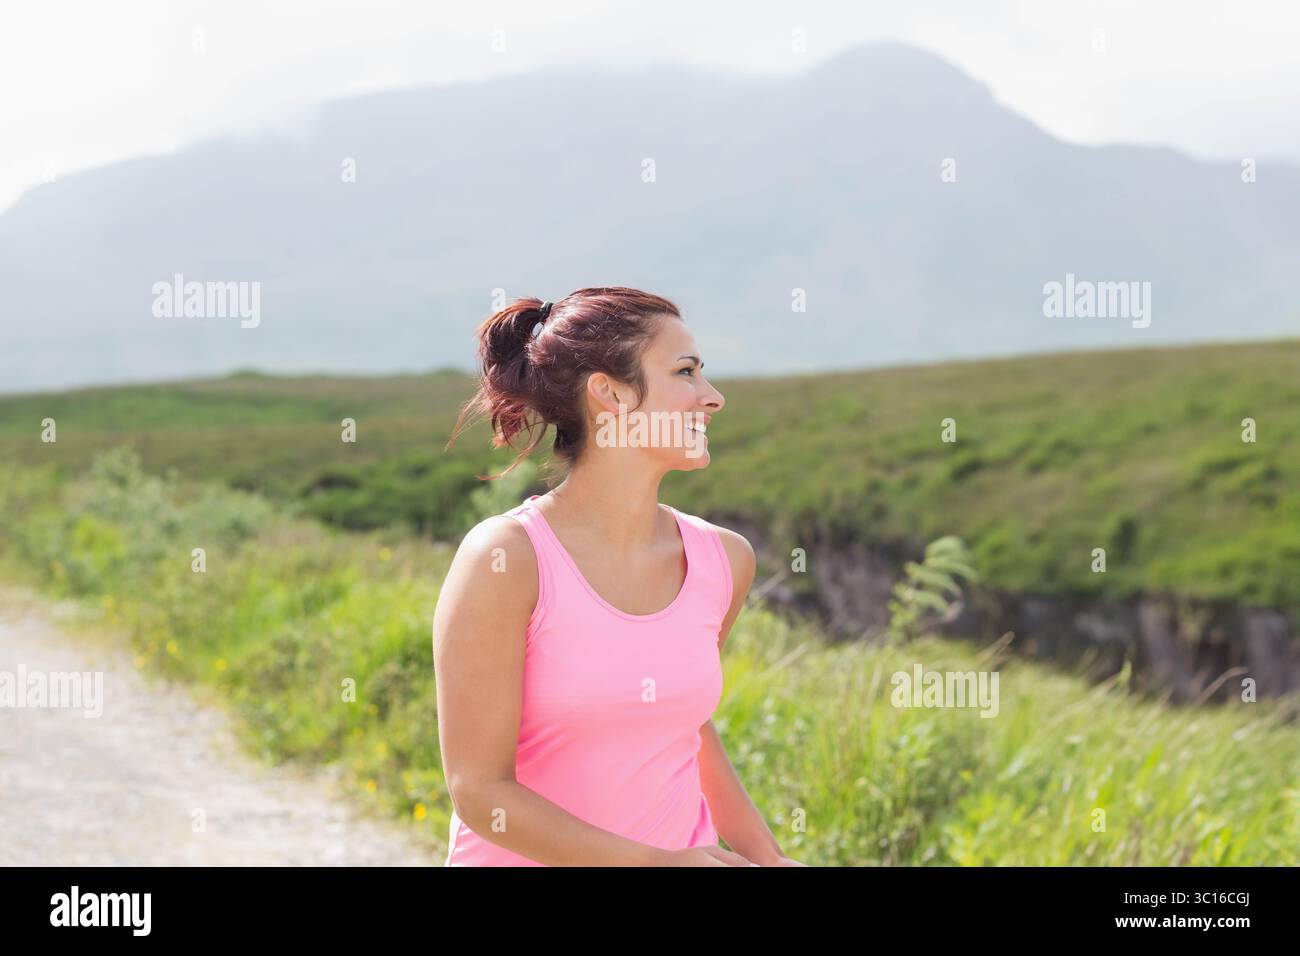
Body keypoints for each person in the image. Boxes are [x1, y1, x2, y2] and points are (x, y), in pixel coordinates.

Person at [434, 286, 806, 866]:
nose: (713, 398)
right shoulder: (506, 559)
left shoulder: (723, 560)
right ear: (610, 393)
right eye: (686, 372)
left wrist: (769, 858)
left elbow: (688, 730)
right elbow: (480, 792)